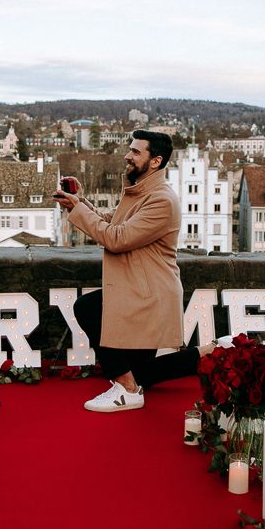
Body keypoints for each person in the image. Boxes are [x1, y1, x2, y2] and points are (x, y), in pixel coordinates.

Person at [54, 130, 196, 412]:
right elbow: (113, 220)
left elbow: (118, 238)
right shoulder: (142, 190)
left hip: (147, 296)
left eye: (135, 152)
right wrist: (79, 203)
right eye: (129, 149)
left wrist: (79, 210)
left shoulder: (161, 200)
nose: (127, 156)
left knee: (88, 308)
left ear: (155, 161)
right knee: (142, 372)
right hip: (138, 290)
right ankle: (209, 353)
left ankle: (127, 389)